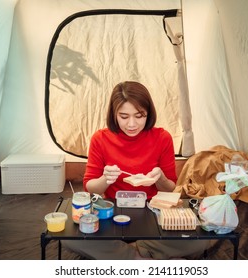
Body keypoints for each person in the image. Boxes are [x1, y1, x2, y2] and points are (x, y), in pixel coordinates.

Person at [62, 81, 209, 259]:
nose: (132, 124)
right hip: (112, 211)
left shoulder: (162, 138)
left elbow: (171, 189)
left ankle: (128, 254)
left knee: (202, 239)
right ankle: (141, 256)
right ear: (114, 114)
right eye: (124, 116)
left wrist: (160, 178)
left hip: (153, 212)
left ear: (149, 114)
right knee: (68, 237)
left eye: (139, 116)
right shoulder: (100, 139)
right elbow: (90, 188)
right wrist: (105, 179)